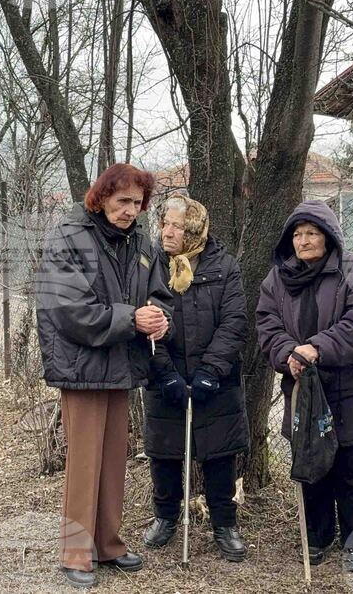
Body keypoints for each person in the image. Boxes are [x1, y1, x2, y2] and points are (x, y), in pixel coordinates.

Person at [36, 163, 172, 589]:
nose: (130, 210)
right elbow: (69, 312)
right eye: (122, 201)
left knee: (114, 458)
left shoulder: (140, 242)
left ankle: (108, 544)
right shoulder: (67, 237)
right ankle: (75, 552)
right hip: (81, 365)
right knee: (84, 462)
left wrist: (159, 317)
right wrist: (135, 318)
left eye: (137, 202)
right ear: (102, 197)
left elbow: (159, 293)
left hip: (122, 364)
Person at [256, 200, 353, 573]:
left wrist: (317, 348)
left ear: (329, 236)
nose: (304, 241)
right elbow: (267, 325)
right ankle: (317, 534)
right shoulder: (277, 279)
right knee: (312, 464)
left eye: (312, 233)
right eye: (297, 235)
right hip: (305, 388)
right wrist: (289, 354)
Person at [143, 195, 249, 562]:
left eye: (176, 226)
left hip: (216, 379)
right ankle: (166, 517)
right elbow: (146, 322)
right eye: (164, 224)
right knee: (165, 451)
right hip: (164, 376)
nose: (167, 232)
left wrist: (210, 371)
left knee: (220, 452)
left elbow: (234, 322)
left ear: (193, 230)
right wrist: (166, 373)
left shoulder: (224, 266)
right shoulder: (150, 265)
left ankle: (224, 523)